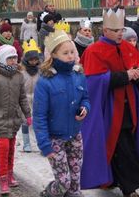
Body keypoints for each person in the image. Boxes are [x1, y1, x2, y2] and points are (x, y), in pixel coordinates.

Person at [80, 8, 139, 197]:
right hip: (110, 110)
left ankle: (111, 179)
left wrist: (138, 75)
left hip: (129, 109)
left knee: (123, 145)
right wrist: (125, 76)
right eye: (116, 30)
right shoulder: (94, 50)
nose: (121, 33)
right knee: (120, 147)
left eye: (122, 29)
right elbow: (94, 81)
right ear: (105, 30)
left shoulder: (128, 48)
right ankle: (130, 187)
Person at [33, 29, 90, 197]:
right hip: (54, 139)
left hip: (75, 136)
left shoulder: (79, 75)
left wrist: (85, 108)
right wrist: (44, 144)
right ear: (54, 56)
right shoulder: (45, 82)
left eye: (72, 51)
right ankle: (48, 193)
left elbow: (86, 98)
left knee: (75, 183)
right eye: (66, 53)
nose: (71, 56)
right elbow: (39, 116)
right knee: (63, 183)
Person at [0, 45, 31, 194]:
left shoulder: (18, 76)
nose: (13, 60)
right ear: (2, 59)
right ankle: (3, 179)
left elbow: (22, 98)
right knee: (4, 148)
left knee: (11, 149)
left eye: (15, 57)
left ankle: (10, 174)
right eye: (10, 58)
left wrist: (27, 114)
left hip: (14, 118)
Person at [20, 38, 41, 153]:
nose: (33, 62)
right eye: (31, 60)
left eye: (35, 59)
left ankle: (40, 143)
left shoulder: (40, 72)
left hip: (38, 99)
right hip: (25, 99)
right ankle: (26, 143)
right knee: (25, 121)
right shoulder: (22, 72)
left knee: (38, 122)